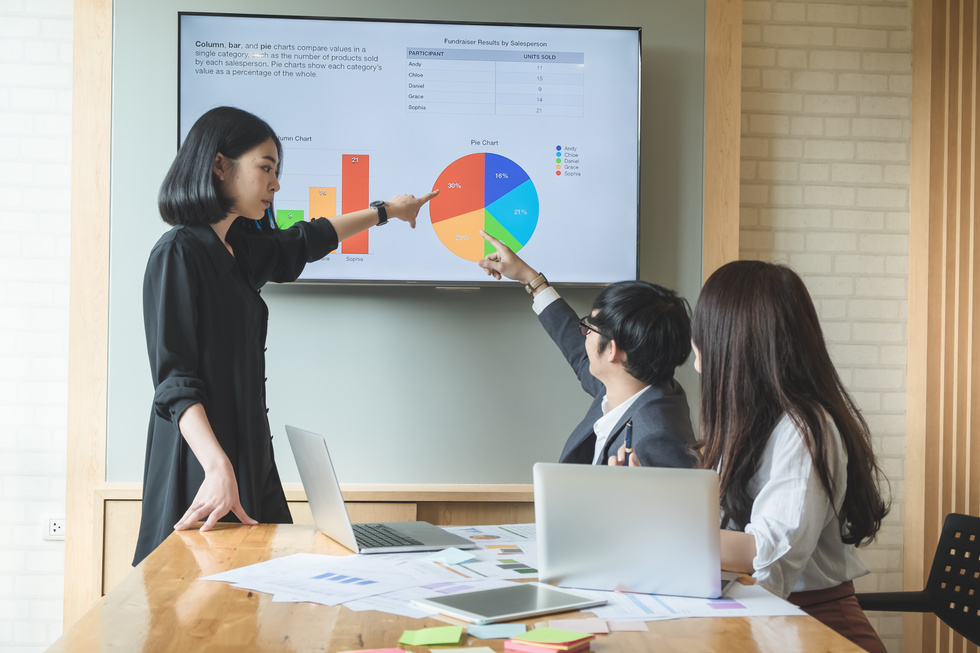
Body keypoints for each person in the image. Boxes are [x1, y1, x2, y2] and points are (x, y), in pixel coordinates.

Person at [134, 106, 436, 565]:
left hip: (249, 456)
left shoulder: (241, 249)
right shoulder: (178, 252)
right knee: (193, 615)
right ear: (219, 165)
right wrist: (217, 467)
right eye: (266, 168)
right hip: (202, 463)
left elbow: (306, 239)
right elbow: (175, 381)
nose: (275, 184)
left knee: (263, 599)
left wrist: (386, 211)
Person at [613, 260, 889, 653]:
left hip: (817, 627)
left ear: (733, 345)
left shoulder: (805, 430)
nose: (697, 362)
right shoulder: (750, 422)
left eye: (701, 345)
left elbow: (768, 551)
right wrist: (650, 500)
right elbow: (728, 528)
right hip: (764, 614)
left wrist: (655, 525)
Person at [477, 231, 696, 468]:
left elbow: (670, 505)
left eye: (589, 327)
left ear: (612, 351)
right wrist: (531, 279)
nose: (584, 334)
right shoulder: (633, 385)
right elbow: (577, 349)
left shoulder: (656, 438)